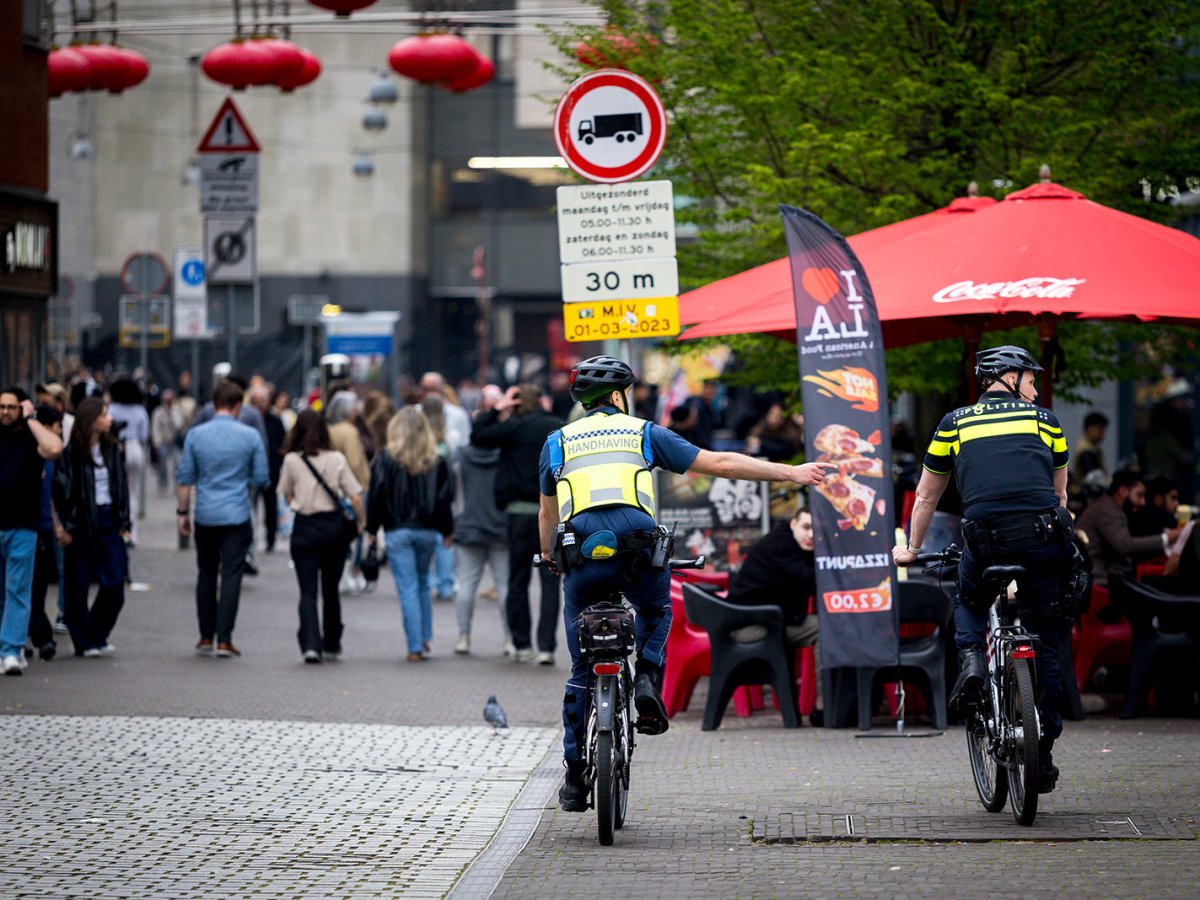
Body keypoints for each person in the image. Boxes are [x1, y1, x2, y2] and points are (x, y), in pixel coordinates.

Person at [539, 356, 836, 812]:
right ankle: (646, 682)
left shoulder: (556, 442)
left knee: (581, 668)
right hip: (637, 546)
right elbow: (719, 463)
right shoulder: (643, 433)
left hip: (581, 552)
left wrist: (550, 558)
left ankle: (576, 779)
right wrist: (791, 472)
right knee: (656, 612)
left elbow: (547, 514)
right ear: (619, 396)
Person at [892, 345, 1075, 795]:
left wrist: (913, 549)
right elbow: (1060, 495)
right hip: (1043, 538)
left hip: (985, 538)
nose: (1035, 387)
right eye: (1030, 378)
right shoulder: (1046, 422)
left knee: (970, 596)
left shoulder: (953, 423)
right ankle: (1043, 746)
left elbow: (927, 496)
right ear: (1008, 377)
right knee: (1046, 637)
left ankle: (973, 660)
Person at [176, 380, 270, 659]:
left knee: (206, 573)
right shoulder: (250, 436)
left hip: (204, 513)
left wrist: (182, 513)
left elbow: (184, 478)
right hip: (237, 514)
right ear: (239, 405)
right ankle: (225, 640)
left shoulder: (196, 435)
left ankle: (205, 636)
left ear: (213, 405)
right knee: (231, 574)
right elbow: (262, 477)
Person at [472, 383, 563, 665]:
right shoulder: (555, 427)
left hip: (517, 513)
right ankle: (546, 647)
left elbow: (477, 437)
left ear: (515, 403)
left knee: (517, 579)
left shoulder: (512, 428)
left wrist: (496, 410)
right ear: (540, 400)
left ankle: (521, 644)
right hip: (550, 510)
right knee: (550, 581)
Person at [366, 407, 455, 662]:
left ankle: (414, 644)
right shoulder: (435, 460)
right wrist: (447, 530)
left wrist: (372, 529)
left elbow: (377, 496)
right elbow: (443, 500)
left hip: (397, 529)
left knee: (407, 587)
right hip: (427, 530)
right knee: (424, 582)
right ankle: (425, 636)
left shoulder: (386, 458)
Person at [276, 409, 364, 663]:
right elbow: (355, 495)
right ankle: (332, 642)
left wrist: (297, 503)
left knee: (307, 590)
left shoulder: (292, 460)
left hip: (305, 527)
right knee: (331, 589)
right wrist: (361, 520)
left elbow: (285, 493)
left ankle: (310, 645)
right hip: (333, 528)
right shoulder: (337, 459)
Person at [726, 505, 824, 725]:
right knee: (827, 631)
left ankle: (830, 704)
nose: (811, 535)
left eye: (817, 530)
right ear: (793, 524)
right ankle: (824, 707)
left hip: (769, 619)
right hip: (749, 624)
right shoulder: (780, 547)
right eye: (806, 527)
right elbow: (811, 580)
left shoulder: (792, 544)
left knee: (828, 628)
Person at [52, 397, 132, 658]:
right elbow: (62, 491)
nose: (109, 418)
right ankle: (84, 641)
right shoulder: (72, 453)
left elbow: (121, 487)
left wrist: (124, 521)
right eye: (105, 413)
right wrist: (67, 525)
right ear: (91, 419)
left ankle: (97, 633)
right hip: (82, 523)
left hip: (109, 520)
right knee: (78, 585)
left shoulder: (112, 449)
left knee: (115, 581)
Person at [0, 386, 63, 675]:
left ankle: (11, 650)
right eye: (1, 407)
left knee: (18, 590)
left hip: (23, 526)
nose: (5, 412)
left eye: (12, 407)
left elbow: (54, 448)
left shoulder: (31, 436)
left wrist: (32, 419)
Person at [451, 386, 511, 655]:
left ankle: (463, 637)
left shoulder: (462, 455)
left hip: (469, 525)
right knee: (505, 586)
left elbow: (454, 492)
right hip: (500, 525)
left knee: (466, 586)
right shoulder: (505, 456)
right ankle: (510, 639)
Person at [1076, 470, 1179, 586]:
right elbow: (1125, 545)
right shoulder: (1107, 510)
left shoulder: (1109, 507)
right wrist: (1166, 538)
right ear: (1123, 491)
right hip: (1099, 579)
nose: (1142, 502)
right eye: (1139, 495)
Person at [108, 378, 150, 546]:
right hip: (135, 449)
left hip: (118, 449)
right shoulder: (140, 410)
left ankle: (119, 530)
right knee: (132, 492)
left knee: (117, 491)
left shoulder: (112, 409)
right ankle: (132, 534)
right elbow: (144, 436)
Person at [248, 385, 286, 553]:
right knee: (250, 506)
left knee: (271, 507)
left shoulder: (275, 421)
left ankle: (270, 539)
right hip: (250, 471)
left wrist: (279, 463)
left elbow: (283, 444)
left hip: (271, 470)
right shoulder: (248, 420)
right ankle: (251, 539)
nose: (259, 405)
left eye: (262, 401)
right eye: (256, 401)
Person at [150, 389, 186, 492]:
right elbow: (155, 428)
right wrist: (156, 442)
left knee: (177, 463)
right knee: (163, 463)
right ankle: (163, 483)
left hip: (175, 441)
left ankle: (177, 483)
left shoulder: (177, 410)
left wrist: (173, 415)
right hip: (163, 441)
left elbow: (180, 424)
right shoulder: (158, 412)